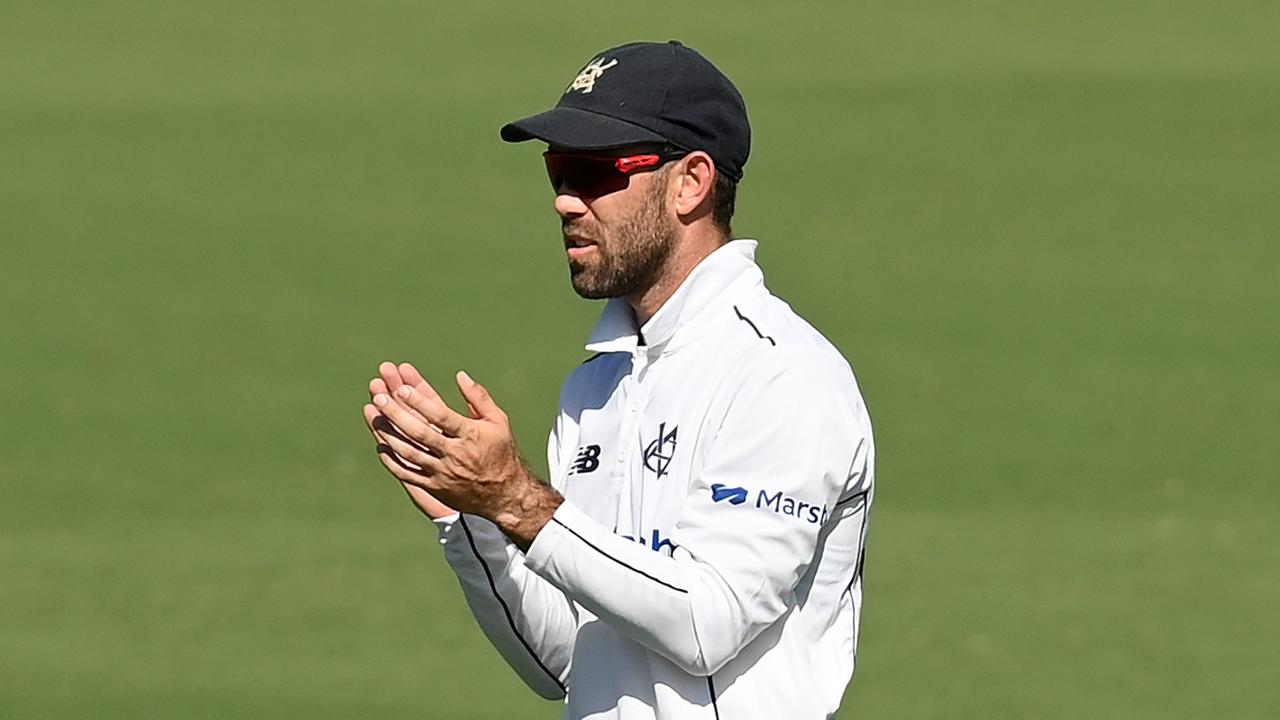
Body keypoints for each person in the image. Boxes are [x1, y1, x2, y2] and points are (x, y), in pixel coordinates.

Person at [362, 40, 876, 720]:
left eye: (593, 171)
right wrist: (475, 516)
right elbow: (571, 662)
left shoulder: (783, 375)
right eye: (557, 172)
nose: (566, 202)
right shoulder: (597, 386)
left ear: (690, 182)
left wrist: (516, 499)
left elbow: (705, 623)